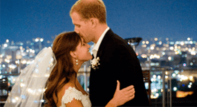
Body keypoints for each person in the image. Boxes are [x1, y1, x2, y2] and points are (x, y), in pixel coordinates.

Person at [5, 32, 135, 107]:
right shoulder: (68, 90)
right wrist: (114, 102)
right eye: (83, 44)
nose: (89, 46)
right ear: (73, 53)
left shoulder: (72, 80)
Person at [70, 0, 149, 107]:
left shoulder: (119, 49)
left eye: (78, 25)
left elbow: (130, 99)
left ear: (93, 22)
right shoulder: (105, 46)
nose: (76, 30)